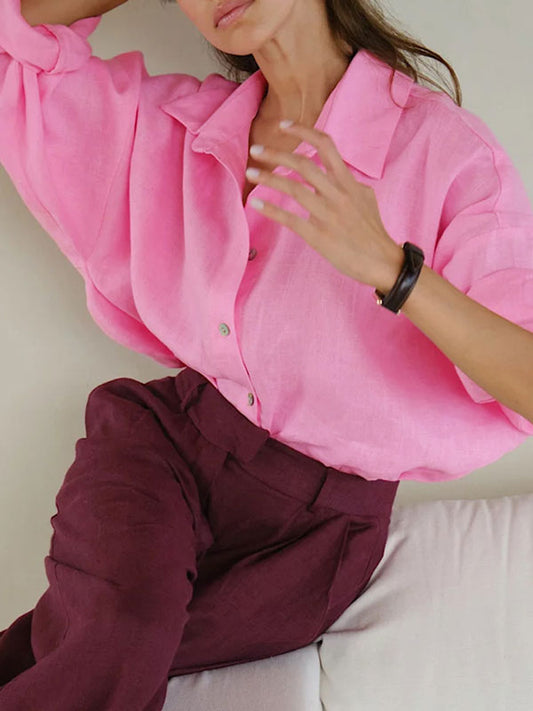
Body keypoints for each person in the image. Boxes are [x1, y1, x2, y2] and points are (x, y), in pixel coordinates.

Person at [1, 0, 532, 709]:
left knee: (73, 654)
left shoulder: (446, 153)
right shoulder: (178, 130)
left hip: (318, 541)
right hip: (166, 450)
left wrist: (392, 269)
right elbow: (16, 38)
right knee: (119, 632)